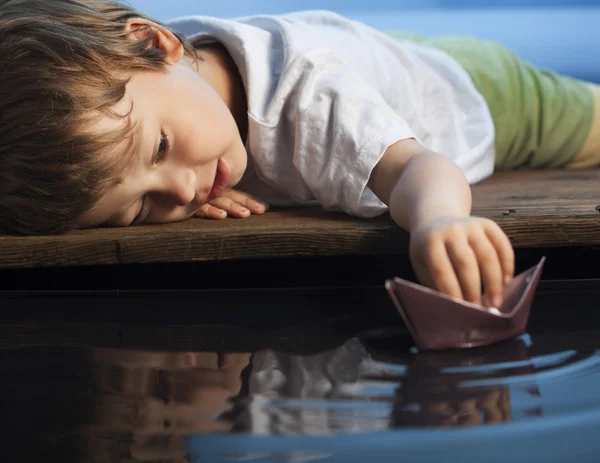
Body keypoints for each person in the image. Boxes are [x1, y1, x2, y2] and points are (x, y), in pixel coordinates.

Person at [1, 0, 598, 308]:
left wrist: (440, 219)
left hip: (483, 91)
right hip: (376, 60)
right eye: (141, 208)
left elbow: (419, 166)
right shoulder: (155, 80)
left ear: (156, 42)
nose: (180, 191)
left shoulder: (310, 101)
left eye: (161, 148)